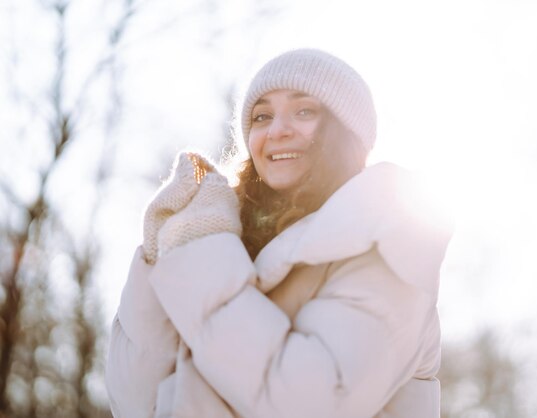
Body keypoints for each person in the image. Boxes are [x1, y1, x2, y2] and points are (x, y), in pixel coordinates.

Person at [105, 48, 452, 418]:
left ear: (346, 130)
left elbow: (309, 403)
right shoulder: (226, 239)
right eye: (262, 116)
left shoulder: (390, 236)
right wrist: (165, 251)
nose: (277, 130)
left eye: (304, 111)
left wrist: (200, 252)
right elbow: (136, 405)